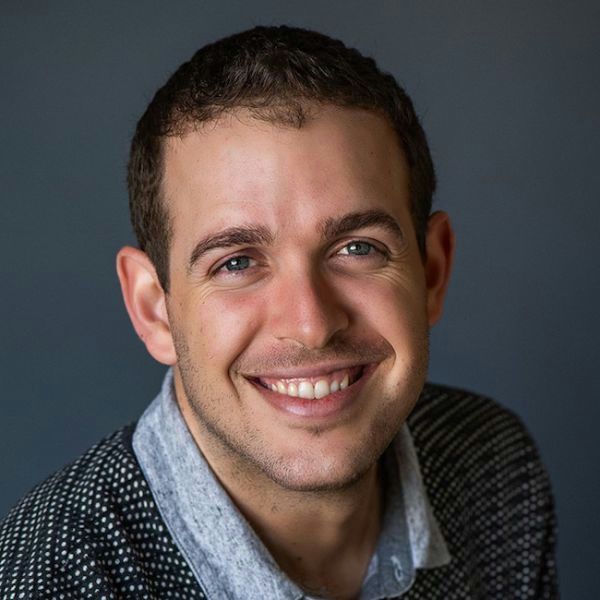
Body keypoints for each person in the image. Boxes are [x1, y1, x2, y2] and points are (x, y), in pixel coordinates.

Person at [0, 25, 557, 599]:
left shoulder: (493, 466)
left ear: (432, 272)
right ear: (155, 310)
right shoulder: (51, 581)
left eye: (357, 248)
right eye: (237, 262)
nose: (311, 324)